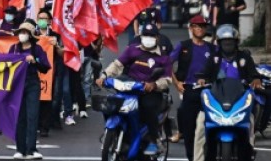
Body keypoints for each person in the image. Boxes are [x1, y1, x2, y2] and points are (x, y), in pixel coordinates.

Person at [97, 23, 173, 157]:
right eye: (146, 35)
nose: (148, 38)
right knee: (113, 103)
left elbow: (167, 80)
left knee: (147, 106)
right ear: (141, 36)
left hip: (150, 92)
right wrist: (104, 76)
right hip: (130, 87)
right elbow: (117, 65)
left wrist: (154, 85)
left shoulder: (164, 57)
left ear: (157, 38)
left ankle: (153, 140)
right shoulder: (132, 50)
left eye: (151, 36)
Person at [193, 24, 261, 161]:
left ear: (236, 42)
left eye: (230, 41)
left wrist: (256, 80)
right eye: (225, 42)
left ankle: (250, 150)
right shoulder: (214, 58)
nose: (227, 44)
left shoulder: (244, 58)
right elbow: (205, 74)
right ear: (219, 43)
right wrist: (201, 79)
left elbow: (253, 74)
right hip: (216, 98)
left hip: (239, 99)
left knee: (251, 122)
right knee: (201, 125)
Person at [169, 15, 215, 161]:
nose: (199, 28)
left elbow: (223, 66)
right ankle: (191, 157)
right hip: (189, 90)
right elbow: (167, 64)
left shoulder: (213, 48)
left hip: (209, 91)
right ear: (191, 28)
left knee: (211, 127)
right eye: (196, 26)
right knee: (189, 129)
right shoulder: (183, 46)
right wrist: (176, 83)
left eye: (202, 26)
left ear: (205, 28)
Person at [9, 19, 51, 160]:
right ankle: (20, 149)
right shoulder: (13, 49)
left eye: (25, 32)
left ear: (31, 35)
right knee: (20, 117)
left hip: (32, 83)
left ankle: (31, 149)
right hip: (17, 85)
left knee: (32, 116)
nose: (22, 34)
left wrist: (35, 61)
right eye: (21, 32)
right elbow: (6, 66)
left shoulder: (37, 49)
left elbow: (46, 67)